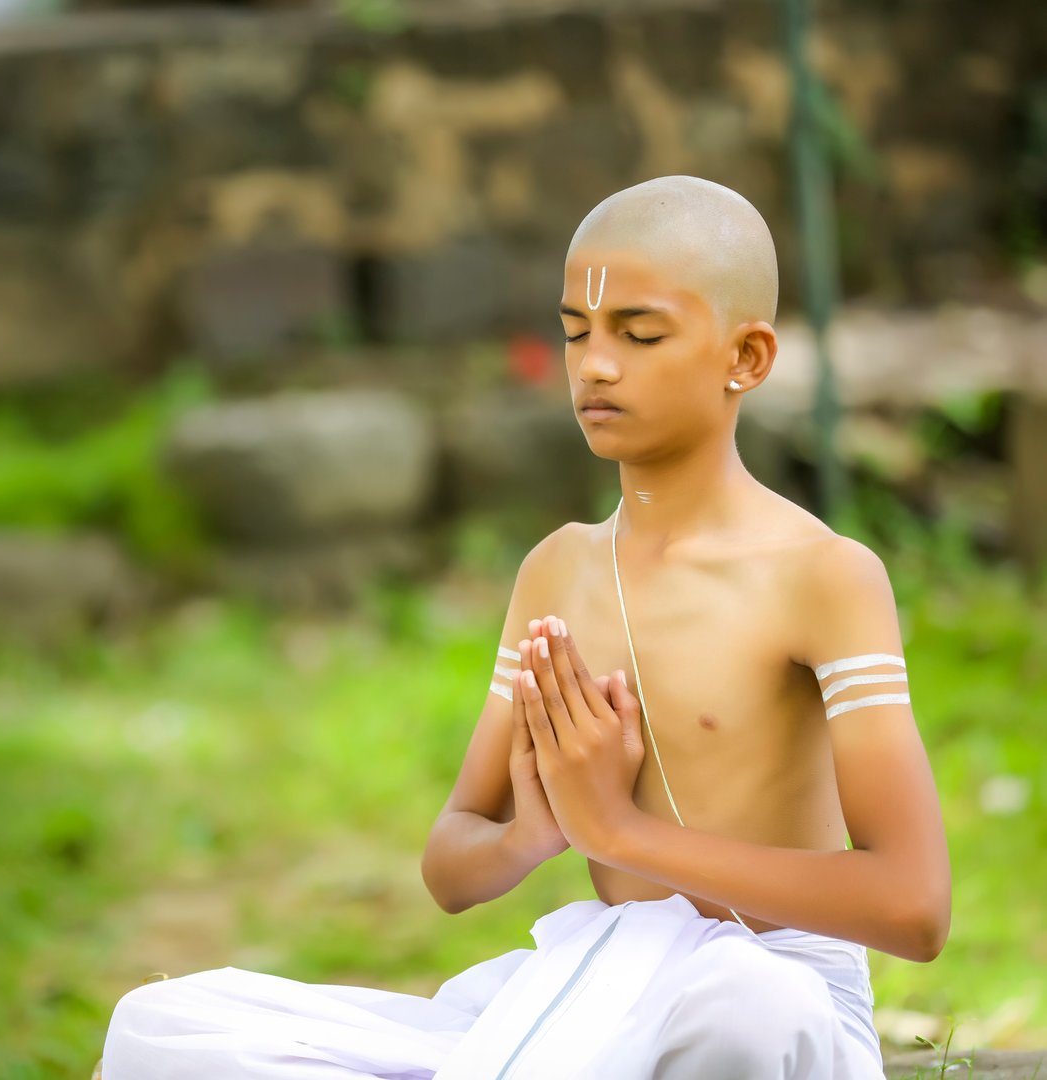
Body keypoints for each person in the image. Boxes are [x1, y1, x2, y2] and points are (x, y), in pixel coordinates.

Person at [97, 175, 951, 1079]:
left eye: (639, 334)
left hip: (773, 1001)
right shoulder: (559, 570)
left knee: (743, 1008)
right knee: (162, 1025)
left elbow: (913, 907)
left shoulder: (822, 575)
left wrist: (618, 833)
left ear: (746, 356)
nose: (595, 366)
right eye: (577, 332)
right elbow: (451, 867)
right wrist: (532, 835)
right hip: (603, 988)